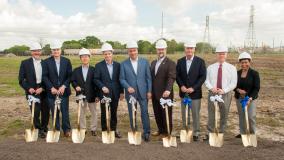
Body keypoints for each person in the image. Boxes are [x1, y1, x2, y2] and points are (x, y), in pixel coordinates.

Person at [120, 41, 152, 142]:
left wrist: (149, 91)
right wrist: (127, 87)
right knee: (132, 113)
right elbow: (121, 79)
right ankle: (134, 130)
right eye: (130, 51)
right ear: (128, 52)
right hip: (131, 94)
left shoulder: (145, 62)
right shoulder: (123, 64)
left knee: (144, 112)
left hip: (143, 92)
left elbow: (148, 78)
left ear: (137, 51)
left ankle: (146, 132)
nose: (132, 52)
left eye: (134, 50)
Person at [204, 45, 237, 141]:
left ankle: (221, 132)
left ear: (226, 54)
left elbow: (233, 83)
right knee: (211, 113)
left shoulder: (232, 68)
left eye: (223, 53)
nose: (221, 55)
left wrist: (224, 90)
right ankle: (211, 133)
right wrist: (211, 88)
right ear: (216, 54)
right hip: (212, 93)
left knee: (224, 113)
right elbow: (206, 81)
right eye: (219, 54)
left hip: (225, 94)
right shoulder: (210, 67)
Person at [176, 42, 206, 141]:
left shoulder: (200, 61)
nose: (189, 50)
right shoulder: (180, 61)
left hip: (195, 93)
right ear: (185, 49)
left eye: (191, 48)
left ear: (194, 49)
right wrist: (181, 86)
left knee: (195, 113)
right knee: (185, 113)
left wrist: (194, 88)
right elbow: (178, 76)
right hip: (184, 93)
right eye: (187, 48)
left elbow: (202, 77)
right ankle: (185, 130)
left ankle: (196, 132)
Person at [18, 43, 49, 138]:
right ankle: (38, 129)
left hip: (43, 89)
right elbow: (21, 79)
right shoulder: (25, 63)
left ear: (41, 52)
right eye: (34, 51)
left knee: (45, 111)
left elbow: (48, 77)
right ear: (31, 52)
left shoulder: (45, 63)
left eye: (38, 51)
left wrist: (43, 88)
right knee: (35, 111)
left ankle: (44, 127)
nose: (37, 52)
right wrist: (28, 88)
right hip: (31, 90)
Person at [42, 41, 72, 137]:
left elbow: (69, 76)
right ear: (52, 51)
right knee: (54, 111)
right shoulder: (46, 62)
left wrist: (64, 86)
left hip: (64, 91)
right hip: (52, 92)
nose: (56, 51)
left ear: (60, 50)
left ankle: (66, 129)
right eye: (54, 50)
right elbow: (44, 76)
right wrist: (51, 88)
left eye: (57, 49)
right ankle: (56, 129)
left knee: (65, 111)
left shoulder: (67, 61)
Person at [94, 43, 124, 138]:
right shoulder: (98, 65)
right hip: (104, 93)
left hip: (115, 93)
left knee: (114, 112)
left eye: (109, 53)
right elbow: (96, 79)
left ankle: (113, 130)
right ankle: (104, 130)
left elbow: (121, 79)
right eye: (105, 54)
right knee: (104, 112)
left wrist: (122, 92)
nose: (107, 55)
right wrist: (102, 87)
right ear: (103, 54)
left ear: (112, 53)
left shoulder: (118, 65)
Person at [150, 39, 176, 137]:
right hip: (155, 93)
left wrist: (168, 89)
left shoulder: (171, 63)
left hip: (165, 93)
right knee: (157, 113)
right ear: (156, 50)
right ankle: (160, 130)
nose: (160, 51)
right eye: (159, 49)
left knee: (166, 114)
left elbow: (171, 77)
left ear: (166, 50)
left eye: (162, 49)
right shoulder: (153, 63)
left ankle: (167, 131)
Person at [71, 48, 99, 136]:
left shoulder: (94, 69)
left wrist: (97, 95)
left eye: (86, 56)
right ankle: (83, 128)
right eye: (82, 57)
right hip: (80, 95)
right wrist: (76, 86)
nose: (84, 58)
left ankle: (93, 128)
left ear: (89, 58)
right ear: (80, 58)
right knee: (81, 113)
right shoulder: (76, 70)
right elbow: (73, 80)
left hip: (92, 95)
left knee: (94, 112)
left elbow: (97, 83)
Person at [234, 52, 260, 138]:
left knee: (251, 116)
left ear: (249, 62)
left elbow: (256, 88)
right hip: (239, 98)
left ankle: (252, 133)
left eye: (246, 62)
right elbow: (233, 85)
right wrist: (238, 89)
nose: (244, 64)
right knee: (242, 116)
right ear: (240, 63)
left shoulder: (254, 74)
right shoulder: (237, 73)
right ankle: (243, 133)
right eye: (242, 62)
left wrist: (249, 98)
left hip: (251, 98)